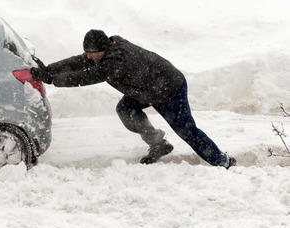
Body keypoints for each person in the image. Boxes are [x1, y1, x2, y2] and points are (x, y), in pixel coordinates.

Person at [31, 29, 235, 168]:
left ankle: (222, 161)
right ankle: (158, 143)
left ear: (103, 49)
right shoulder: (105, 52)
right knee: (126, 110)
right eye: (88, 52)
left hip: (169, 88)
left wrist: (52, 80)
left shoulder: (115, 62)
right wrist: (48, 70)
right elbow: (79, 62)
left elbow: (86, 77)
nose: (89, 57)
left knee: (187, 131)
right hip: (147, 89)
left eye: (92, 53)